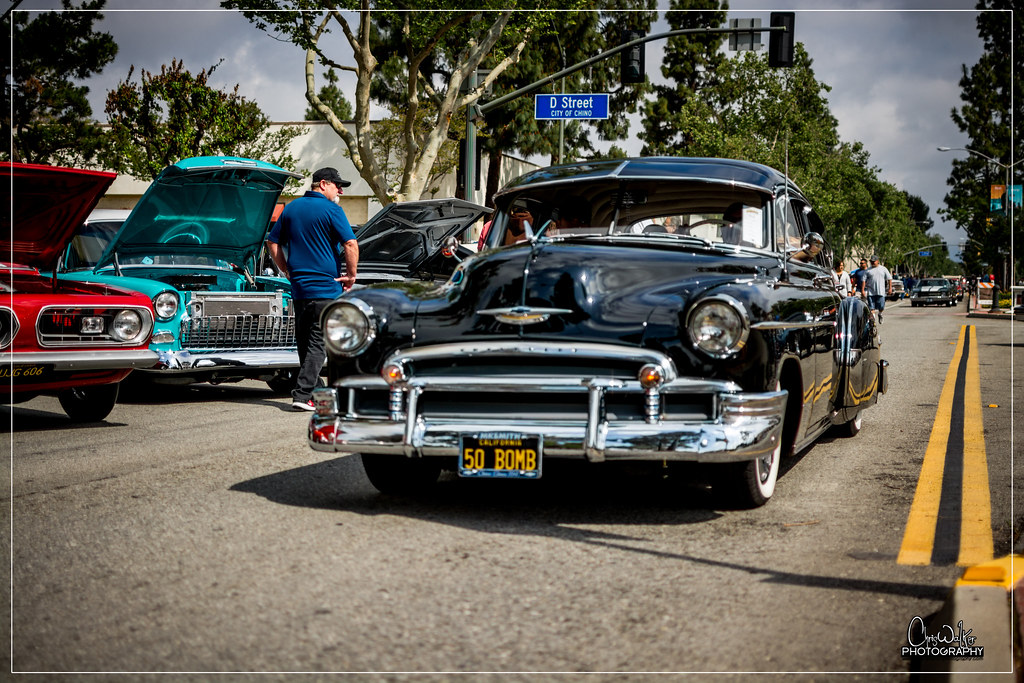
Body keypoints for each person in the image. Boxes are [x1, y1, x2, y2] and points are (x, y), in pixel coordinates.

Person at [267, 167, 359, 411]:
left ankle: (315, 392)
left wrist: (286, 270)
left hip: (299, 288)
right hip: (326, 289)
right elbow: (350, 243)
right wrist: (351, 276)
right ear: (323, 184)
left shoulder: (292, 208)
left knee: (305, 342)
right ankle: (302, 394)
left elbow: (272, 241)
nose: (340, 190)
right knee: (318, 343)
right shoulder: (332, 210)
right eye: (337, 185)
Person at [863, 254, 893, 322]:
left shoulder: (883, 269)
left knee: (881, 306)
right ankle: (873, 322)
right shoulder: (868, 270)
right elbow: (863, 280)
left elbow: (889, 278)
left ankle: (880, 313)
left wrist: (890, 288)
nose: (872, 262)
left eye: (874, 261)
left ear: (877, 261)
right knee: (871, 308)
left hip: (881, 292)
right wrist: (863, 290)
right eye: (871, 261)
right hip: (871, 292)